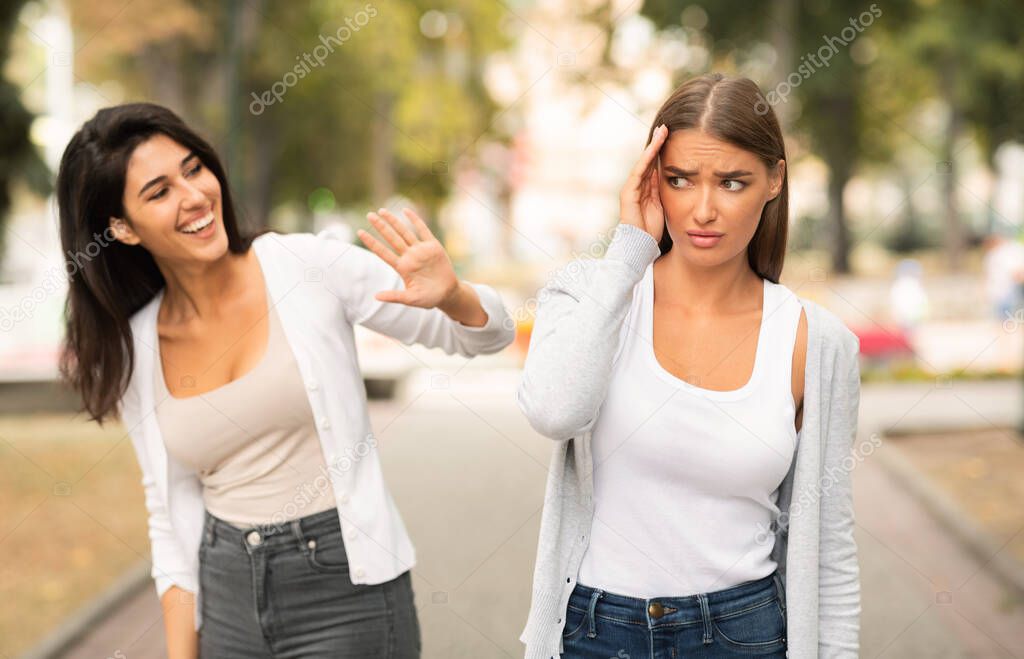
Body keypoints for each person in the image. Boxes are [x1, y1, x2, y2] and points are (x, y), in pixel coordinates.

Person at [56, 102, 514, 658]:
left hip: (347, 593)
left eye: (193, 168)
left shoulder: (306, 267)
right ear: (122, 229)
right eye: (159, 192)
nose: (195, 196)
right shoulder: (134, 350)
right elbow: (169, 521)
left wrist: (455, 296)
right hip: (226, 599)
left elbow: (485, 337)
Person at [517, 73, 861, 658]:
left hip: (743, 632)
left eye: (732, 182)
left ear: (775, 180)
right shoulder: (590, 294)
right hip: (595, 634)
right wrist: (629, 250)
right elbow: (553, 411)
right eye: (679, 180)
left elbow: (829, 544)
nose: (703, 210)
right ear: (653, 180)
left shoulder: (815, 341)